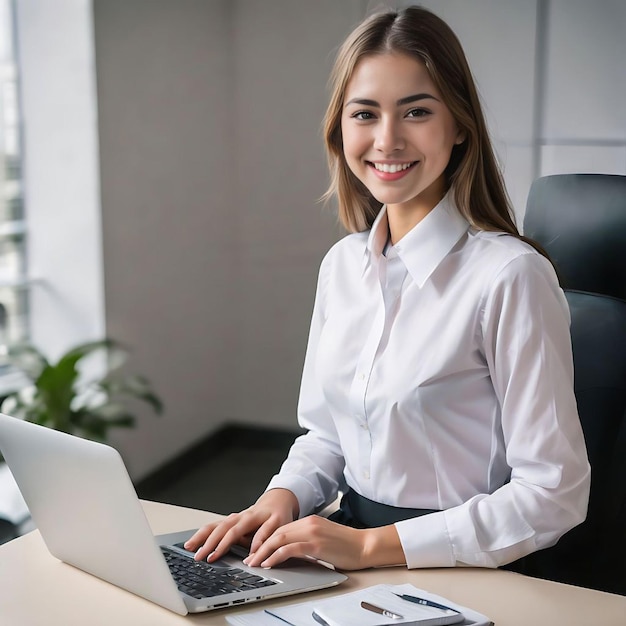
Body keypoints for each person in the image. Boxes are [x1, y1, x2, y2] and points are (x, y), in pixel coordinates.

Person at [185, 5, 590, 571]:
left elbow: (553, 496)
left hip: (468, 565)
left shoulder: (509, 276)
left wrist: (370, 547)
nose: (387, 139)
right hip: (347, 550)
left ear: (459, 127)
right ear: (340, 130)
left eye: (417, 112)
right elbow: (328, 434)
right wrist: (281, 498)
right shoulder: (342, 266)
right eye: (365, 113)